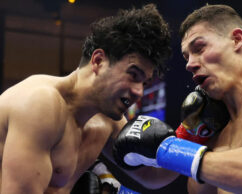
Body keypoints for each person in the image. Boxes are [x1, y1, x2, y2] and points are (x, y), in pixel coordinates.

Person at [113, 4, 242, 194]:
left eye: (199, 48)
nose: (190, 64)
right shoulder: (212, 127)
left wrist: (169, 148)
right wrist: (190, 137)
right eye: (186, 57)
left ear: (236, 40)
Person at [0, 4, 173, 194]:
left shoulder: (106, 121)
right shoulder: (40, 103)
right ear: (98, 61)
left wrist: (197, 131)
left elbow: (151, 176)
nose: (139, 92)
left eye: (144, 83)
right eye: (133, 75)